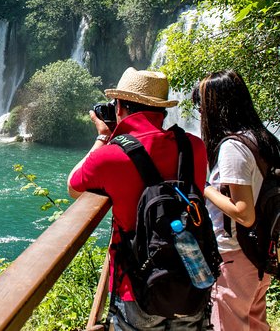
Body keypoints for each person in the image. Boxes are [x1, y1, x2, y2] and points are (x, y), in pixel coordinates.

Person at [67, 67, 209, 330]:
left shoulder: (110, 156)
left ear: (120, 107)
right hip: (192, 278)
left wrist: (103, 136)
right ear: (162, 111)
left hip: (138, 284)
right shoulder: (194, 147)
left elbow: (74, 186)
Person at [193, 70, 280, 330]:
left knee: (228, 324)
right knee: (254, 322)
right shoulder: (263, 139)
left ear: (215, 106)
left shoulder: (233, 147)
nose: (199, 112)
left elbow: (243, 213)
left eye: (201, 105)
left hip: (235, 253)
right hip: (260, 249)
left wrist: (203, 187)